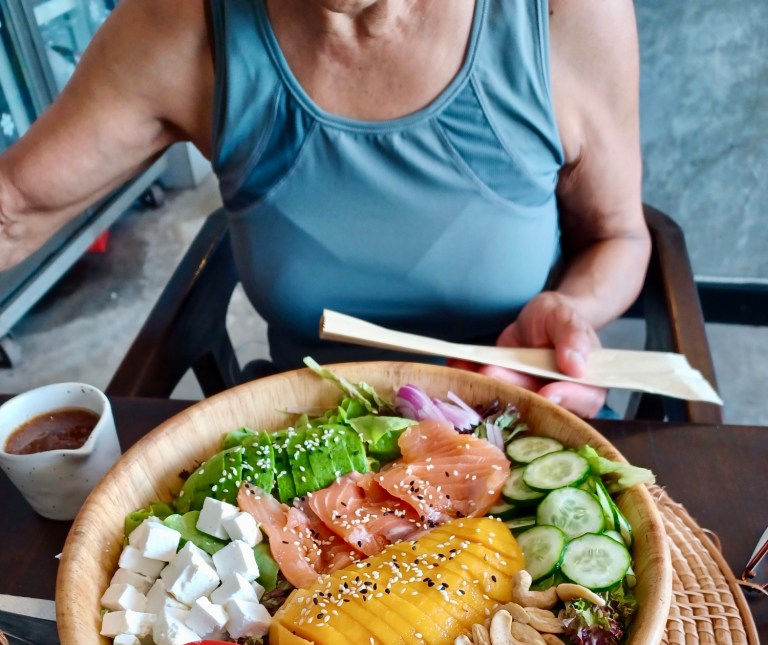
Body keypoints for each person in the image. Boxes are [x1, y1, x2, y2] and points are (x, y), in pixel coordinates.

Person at [0, 0, 650, 418]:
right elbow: (16, 208)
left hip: (526, 421)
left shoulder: (565, 14)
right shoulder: (185, 25)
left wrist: (573, 312)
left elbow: (619, 235)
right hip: (313, 446)